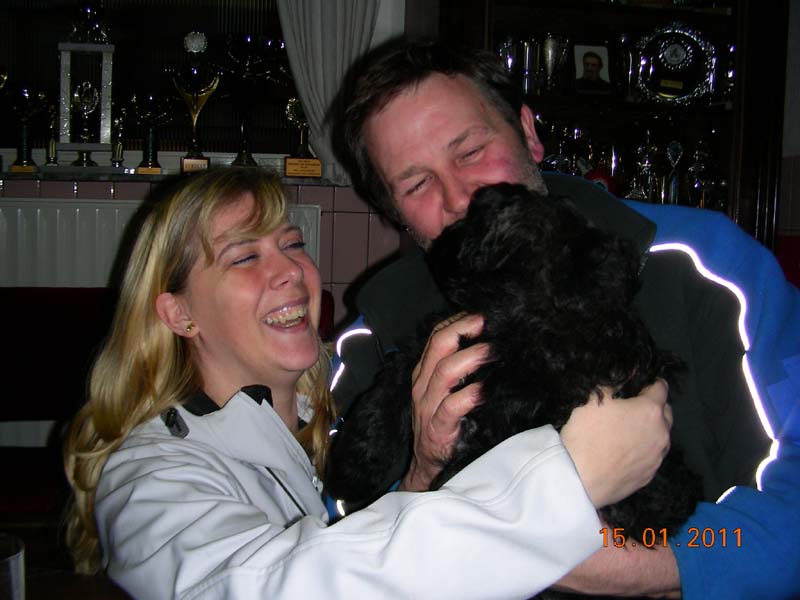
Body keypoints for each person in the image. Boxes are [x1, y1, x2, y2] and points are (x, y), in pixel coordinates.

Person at [330, 38, 800, 599]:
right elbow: (335, 551)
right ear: (394, 212)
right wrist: (424, 474)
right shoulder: (372, 337)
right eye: (416, 184)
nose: (458, 197)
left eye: (471, 151)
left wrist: (634, 563)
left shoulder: (707, 266)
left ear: (528, 132)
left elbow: (791, 508)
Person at [62, 167, 671, 599]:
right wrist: (563, 481)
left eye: (293, 244)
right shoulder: (149, 474)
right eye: (245, 257)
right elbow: (276, 587)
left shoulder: (332, 411)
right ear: (179, 314)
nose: (292, 271)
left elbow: (373, 548)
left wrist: (423, 473)